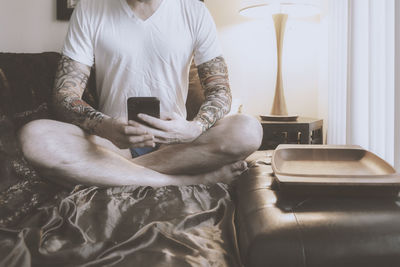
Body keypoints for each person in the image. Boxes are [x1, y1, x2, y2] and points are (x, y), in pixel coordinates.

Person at [18, 0, 263, 188]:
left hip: (177, 145)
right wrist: (106, 127)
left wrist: (193, 128)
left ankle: (114, 173)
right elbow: (64, 95)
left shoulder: (193, 10)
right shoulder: (90, 7)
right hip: (112, 143)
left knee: (249, 129)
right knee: (35, 135)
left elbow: (220, 90)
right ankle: (183, 181)